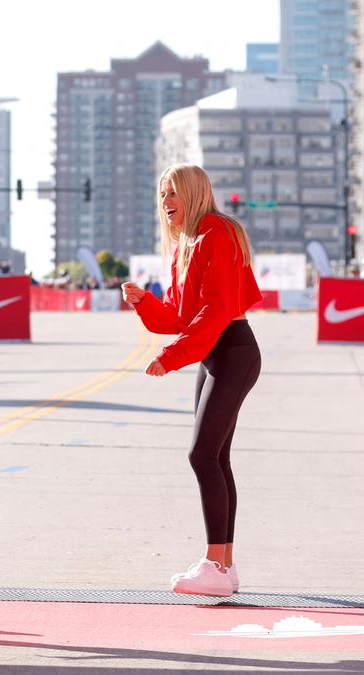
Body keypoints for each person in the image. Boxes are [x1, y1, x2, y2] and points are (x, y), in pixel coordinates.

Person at [121, 164, 262, 597]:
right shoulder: (187, 244)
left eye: (173, 193)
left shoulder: (216, 232)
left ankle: (214, 568)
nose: (166, 202)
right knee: (215, 459)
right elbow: (181, 317)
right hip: (217, 353)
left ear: (195, 194)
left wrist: (172, 358)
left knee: (202, 455)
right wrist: (146, 303)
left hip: (234, 350)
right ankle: (224, 566)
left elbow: (217, 311)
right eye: (162, 194)